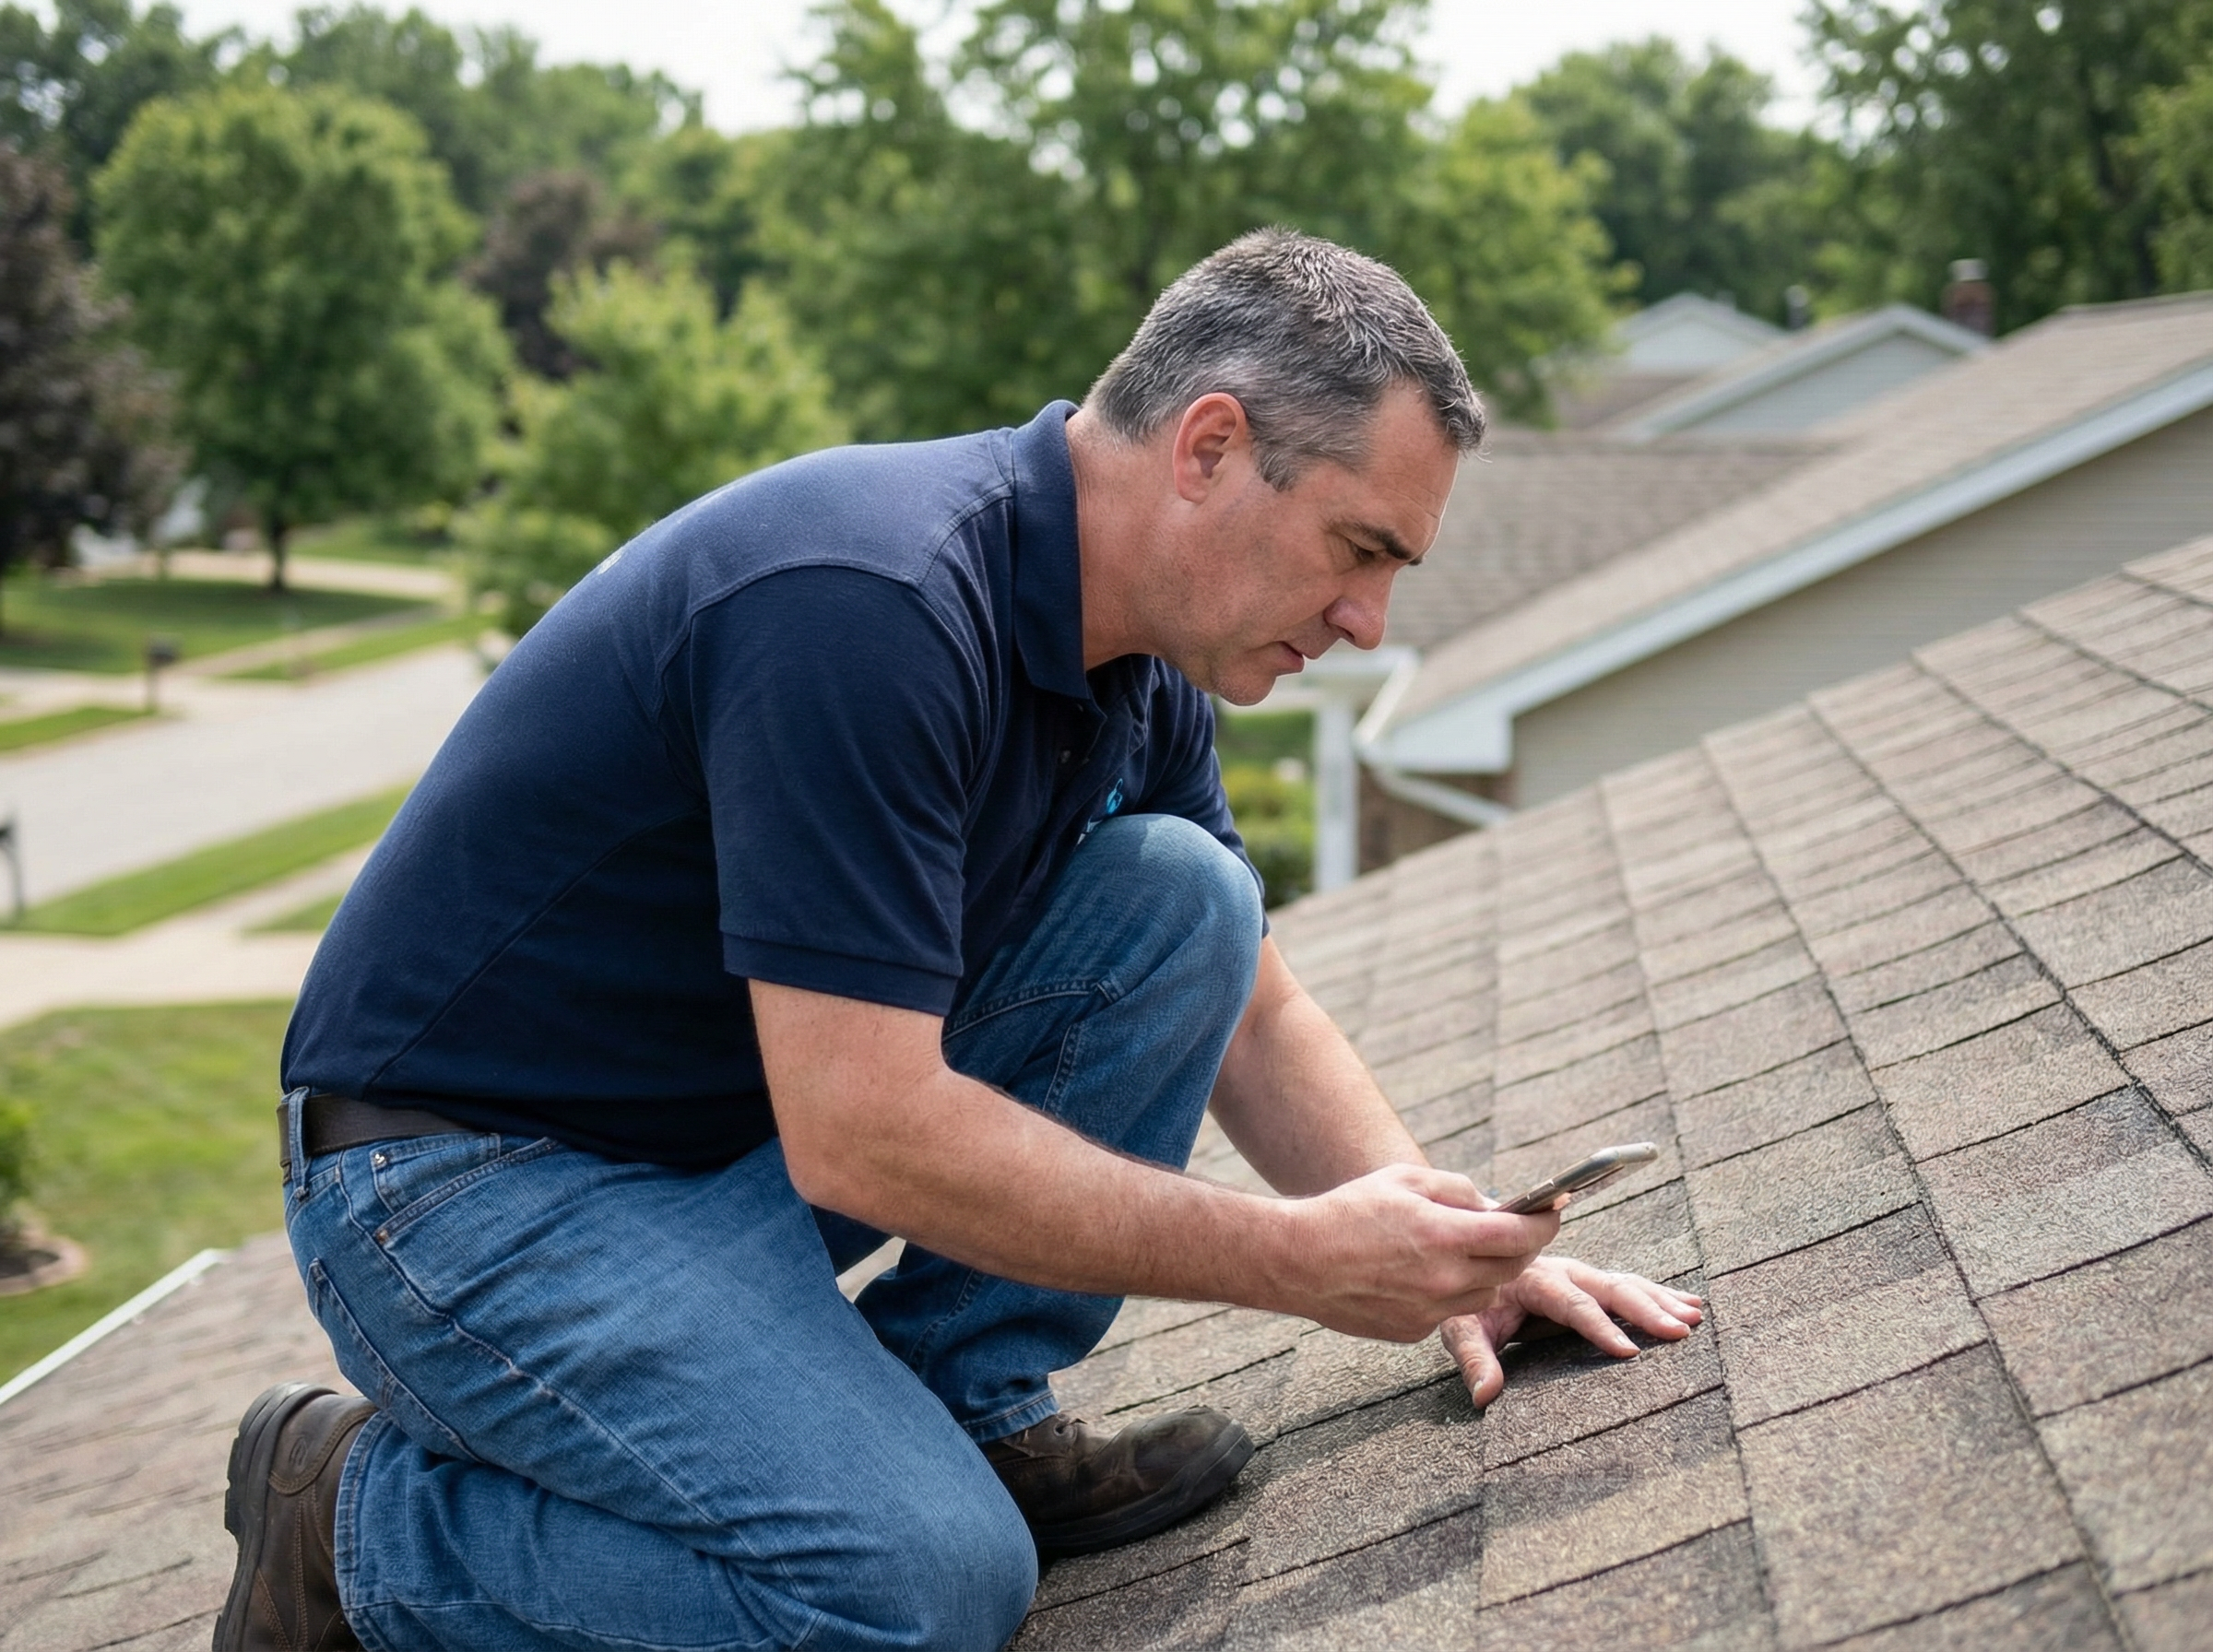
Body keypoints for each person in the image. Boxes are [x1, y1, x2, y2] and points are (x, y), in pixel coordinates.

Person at [216, 229, 1704, 1652]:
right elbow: (865, 1135)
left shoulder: (1136, 666)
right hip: (462, 1187)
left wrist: (1452, 1249)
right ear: (1208, 449)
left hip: (715, 1150)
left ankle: (968, 1412)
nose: (1368, 620)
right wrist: (1298, 1262)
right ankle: (346, 1523)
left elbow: (1252, 1012)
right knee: (914, 1595)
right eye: (1358, 548)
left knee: (1186, 894)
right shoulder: (869, 609)